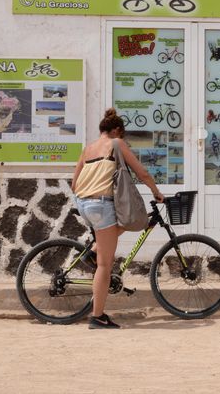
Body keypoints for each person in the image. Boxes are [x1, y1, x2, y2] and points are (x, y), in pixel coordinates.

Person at [71, 108, 164, 329]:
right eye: (122, 135)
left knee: (129, 221)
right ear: (116, 131)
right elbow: (142, 172)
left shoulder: (88, 149)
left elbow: (74, 185)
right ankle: (97, 316)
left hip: (84, 203)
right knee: (105, 264)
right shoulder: (116, 144)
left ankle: (92, 252)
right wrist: (156, 193)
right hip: (101, 205)